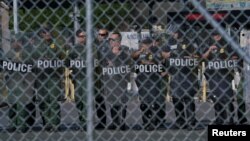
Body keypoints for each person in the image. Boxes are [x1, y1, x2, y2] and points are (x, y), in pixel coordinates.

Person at [163, 28, 201, 130]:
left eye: (175, 32)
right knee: (176, 98)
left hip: (188, 75)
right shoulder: (170, 42)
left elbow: (197, 55)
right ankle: (180, 121)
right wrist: (171, 54)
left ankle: (191, 122)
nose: (173, 34)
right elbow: (164, 54)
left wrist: (192, 57)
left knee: (188, 98)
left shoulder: (189, 41)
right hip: (175, 75)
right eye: (172, 32)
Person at [202, 31, 238, 125]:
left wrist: (227, 58)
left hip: (225, 75)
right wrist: (209, 50)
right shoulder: (209, 44)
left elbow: (234, 57)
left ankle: (230, 119)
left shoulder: (226, 44)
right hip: (213, 76)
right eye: (214, 35)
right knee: (216, 97)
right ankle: (219, 119)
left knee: (228, 97)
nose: (216, 37)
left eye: (217, 35)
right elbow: (203, 57)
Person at [34, 26, 65, 131]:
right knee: (43, 101)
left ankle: (55, 124)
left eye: (49, 32)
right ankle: (47, 123)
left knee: (53, 100)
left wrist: (52, 58)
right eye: (44, 32)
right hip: (41, 77)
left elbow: (63, 58)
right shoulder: (37, 45)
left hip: (53, 77)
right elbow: (32, 58)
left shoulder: (55, 44)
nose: (47, 34)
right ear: (41, 34)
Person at [131, 37, 165, 130]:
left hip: (154, 80)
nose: (145, 45)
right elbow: (133, 56)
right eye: (143, 44)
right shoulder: (139, 52)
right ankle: (146, 122)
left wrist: (145, 62)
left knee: (154, 103)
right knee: (144, 103)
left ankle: (154, 122)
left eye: (147, 44)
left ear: (151, 43)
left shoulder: (156, 51)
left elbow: (158, 63)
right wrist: (140, 52)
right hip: (142, 80)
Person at [5, 34, 36, 132]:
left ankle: (22, 125)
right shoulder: (8, 54)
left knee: (21, 105)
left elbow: (32, 67)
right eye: (13, 41)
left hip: (24, 82)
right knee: (12, 104)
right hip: (11, 82)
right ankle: (13, 124)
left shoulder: (27, 54)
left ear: (21, 43)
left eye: (17, 41)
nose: (15, 43)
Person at [103, 31, 131, 130]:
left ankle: (122, 123)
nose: (112, 42)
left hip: (121, 81)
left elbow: (128, 65)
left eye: (114, 40)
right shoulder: (106, 53)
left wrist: (115, 61)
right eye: (110, 40)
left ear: (119, 41)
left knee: (122, 102)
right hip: (109, 81)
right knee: (112, 102)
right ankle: (115, 122)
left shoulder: (125, 52)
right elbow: (102, 65)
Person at [67, 29, 87, 130]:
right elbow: (67, 62)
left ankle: (86, 123)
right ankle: (82, 120)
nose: (83, 38)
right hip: (77, 78)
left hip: (87, 78)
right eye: (81, 36)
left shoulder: (91, 48)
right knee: (79, 101)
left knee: (87, 100)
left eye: (84, 36)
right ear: (77, 37)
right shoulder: (74, 49)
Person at [94, 28, 109, 129]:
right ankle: (100, 120)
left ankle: (103, 121)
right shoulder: (93, 45)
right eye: (99, 34)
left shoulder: (107, 46)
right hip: (95, 75)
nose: (101, 36)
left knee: (101, 98)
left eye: (103, 35)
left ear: (107, 35)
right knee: (97, 99)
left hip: (105, 75)